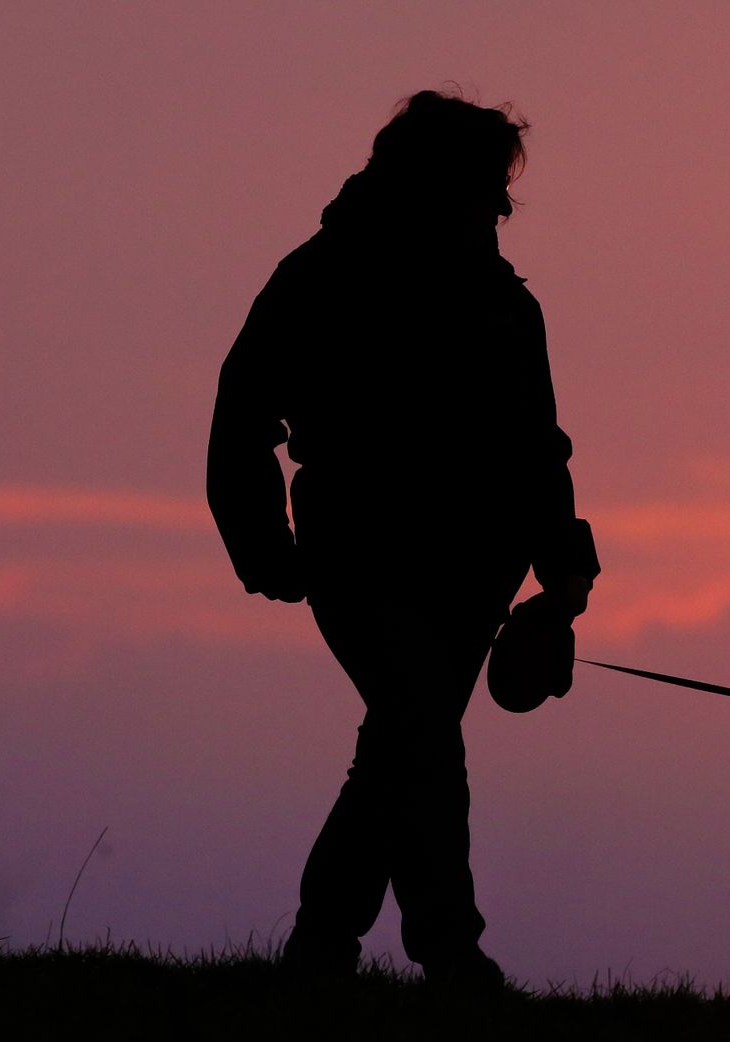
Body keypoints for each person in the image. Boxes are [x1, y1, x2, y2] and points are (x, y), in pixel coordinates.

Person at [207, 90, 597, 991]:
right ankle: (447, 952)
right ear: (440, 182)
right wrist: (262, 541)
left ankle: (325, 950)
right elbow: (242, 414)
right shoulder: (321, 276)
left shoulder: (503, 303)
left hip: (477, 570)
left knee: (403, 743)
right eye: (490, 187)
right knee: (419, 733)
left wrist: (564, 572)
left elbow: (537, 446)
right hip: (359, 552)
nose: (503, 208)